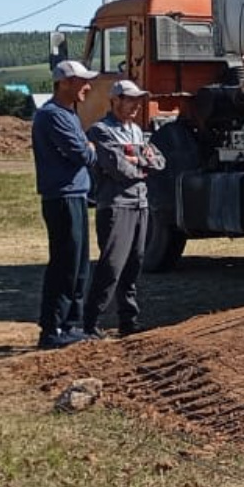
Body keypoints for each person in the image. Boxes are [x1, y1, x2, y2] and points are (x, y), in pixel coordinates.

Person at [83, 80, 165, 338]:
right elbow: (117, 168)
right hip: (116, 205)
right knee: (111, 266)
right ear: (115, 100)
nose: (135, 105)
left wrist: (136, 160)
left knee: (133, 265)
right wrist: (143, 163)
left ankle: (129, 321)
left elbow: (160, 161)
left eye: (138, 99)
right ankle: (90, 323)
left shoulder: (138, 132)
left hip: (140, 203)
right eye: (130, 99)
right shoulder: (100, 131)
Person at [31, 59, 99, 349]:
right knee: (65, 263)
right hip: (62, 197)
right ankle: (52, 329)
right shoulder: (52, 115)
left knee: (79, 262)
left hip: (76, 194)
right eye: (83, 80)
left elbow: (83, 150)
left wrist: (87, 148)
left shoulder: (68, 113)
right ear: (65, 82)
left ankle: (71, 323)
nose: (88, 86)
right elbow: (82, 154)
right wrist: (88, 149)